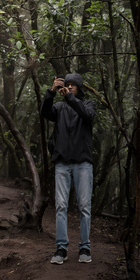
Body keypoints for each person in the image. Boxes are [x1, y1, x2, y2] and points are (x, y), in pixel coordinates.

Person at [40, 73, 96, 265]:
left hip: (83, 163)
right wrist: (51, 92)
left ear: (79, 87)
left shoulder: (88, 104)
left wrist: (69, 98)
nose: (70, 87)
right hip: (62, 163)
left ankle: (85, 247)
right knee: (61, 207)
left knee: (84, 207)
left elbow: (86, 115)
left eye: (73, 85)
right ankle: (61, 248)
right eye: (67, 84)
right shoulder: (60, 107)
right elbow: (45, 113)